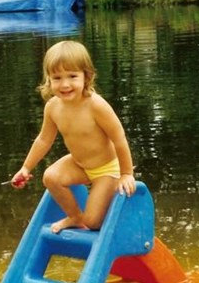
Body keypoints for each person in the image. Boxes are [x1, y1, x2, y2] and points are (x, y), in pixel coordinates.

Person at [10, 40, 136, 233]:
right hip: (80, 165)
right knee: (50, 177)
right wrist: (26, 168)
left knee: (93, 223)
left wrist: (127, 173)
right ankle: (75, 216)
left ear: (86, 76)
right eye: (57, 77)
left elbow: (119, 138)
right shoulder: (52, 107)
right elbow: (44, 140)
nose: (65, 84)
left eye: (72, 76)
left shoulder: (96, 106)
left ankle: (108, 212)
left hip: (107, 169)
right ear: (48, 79)